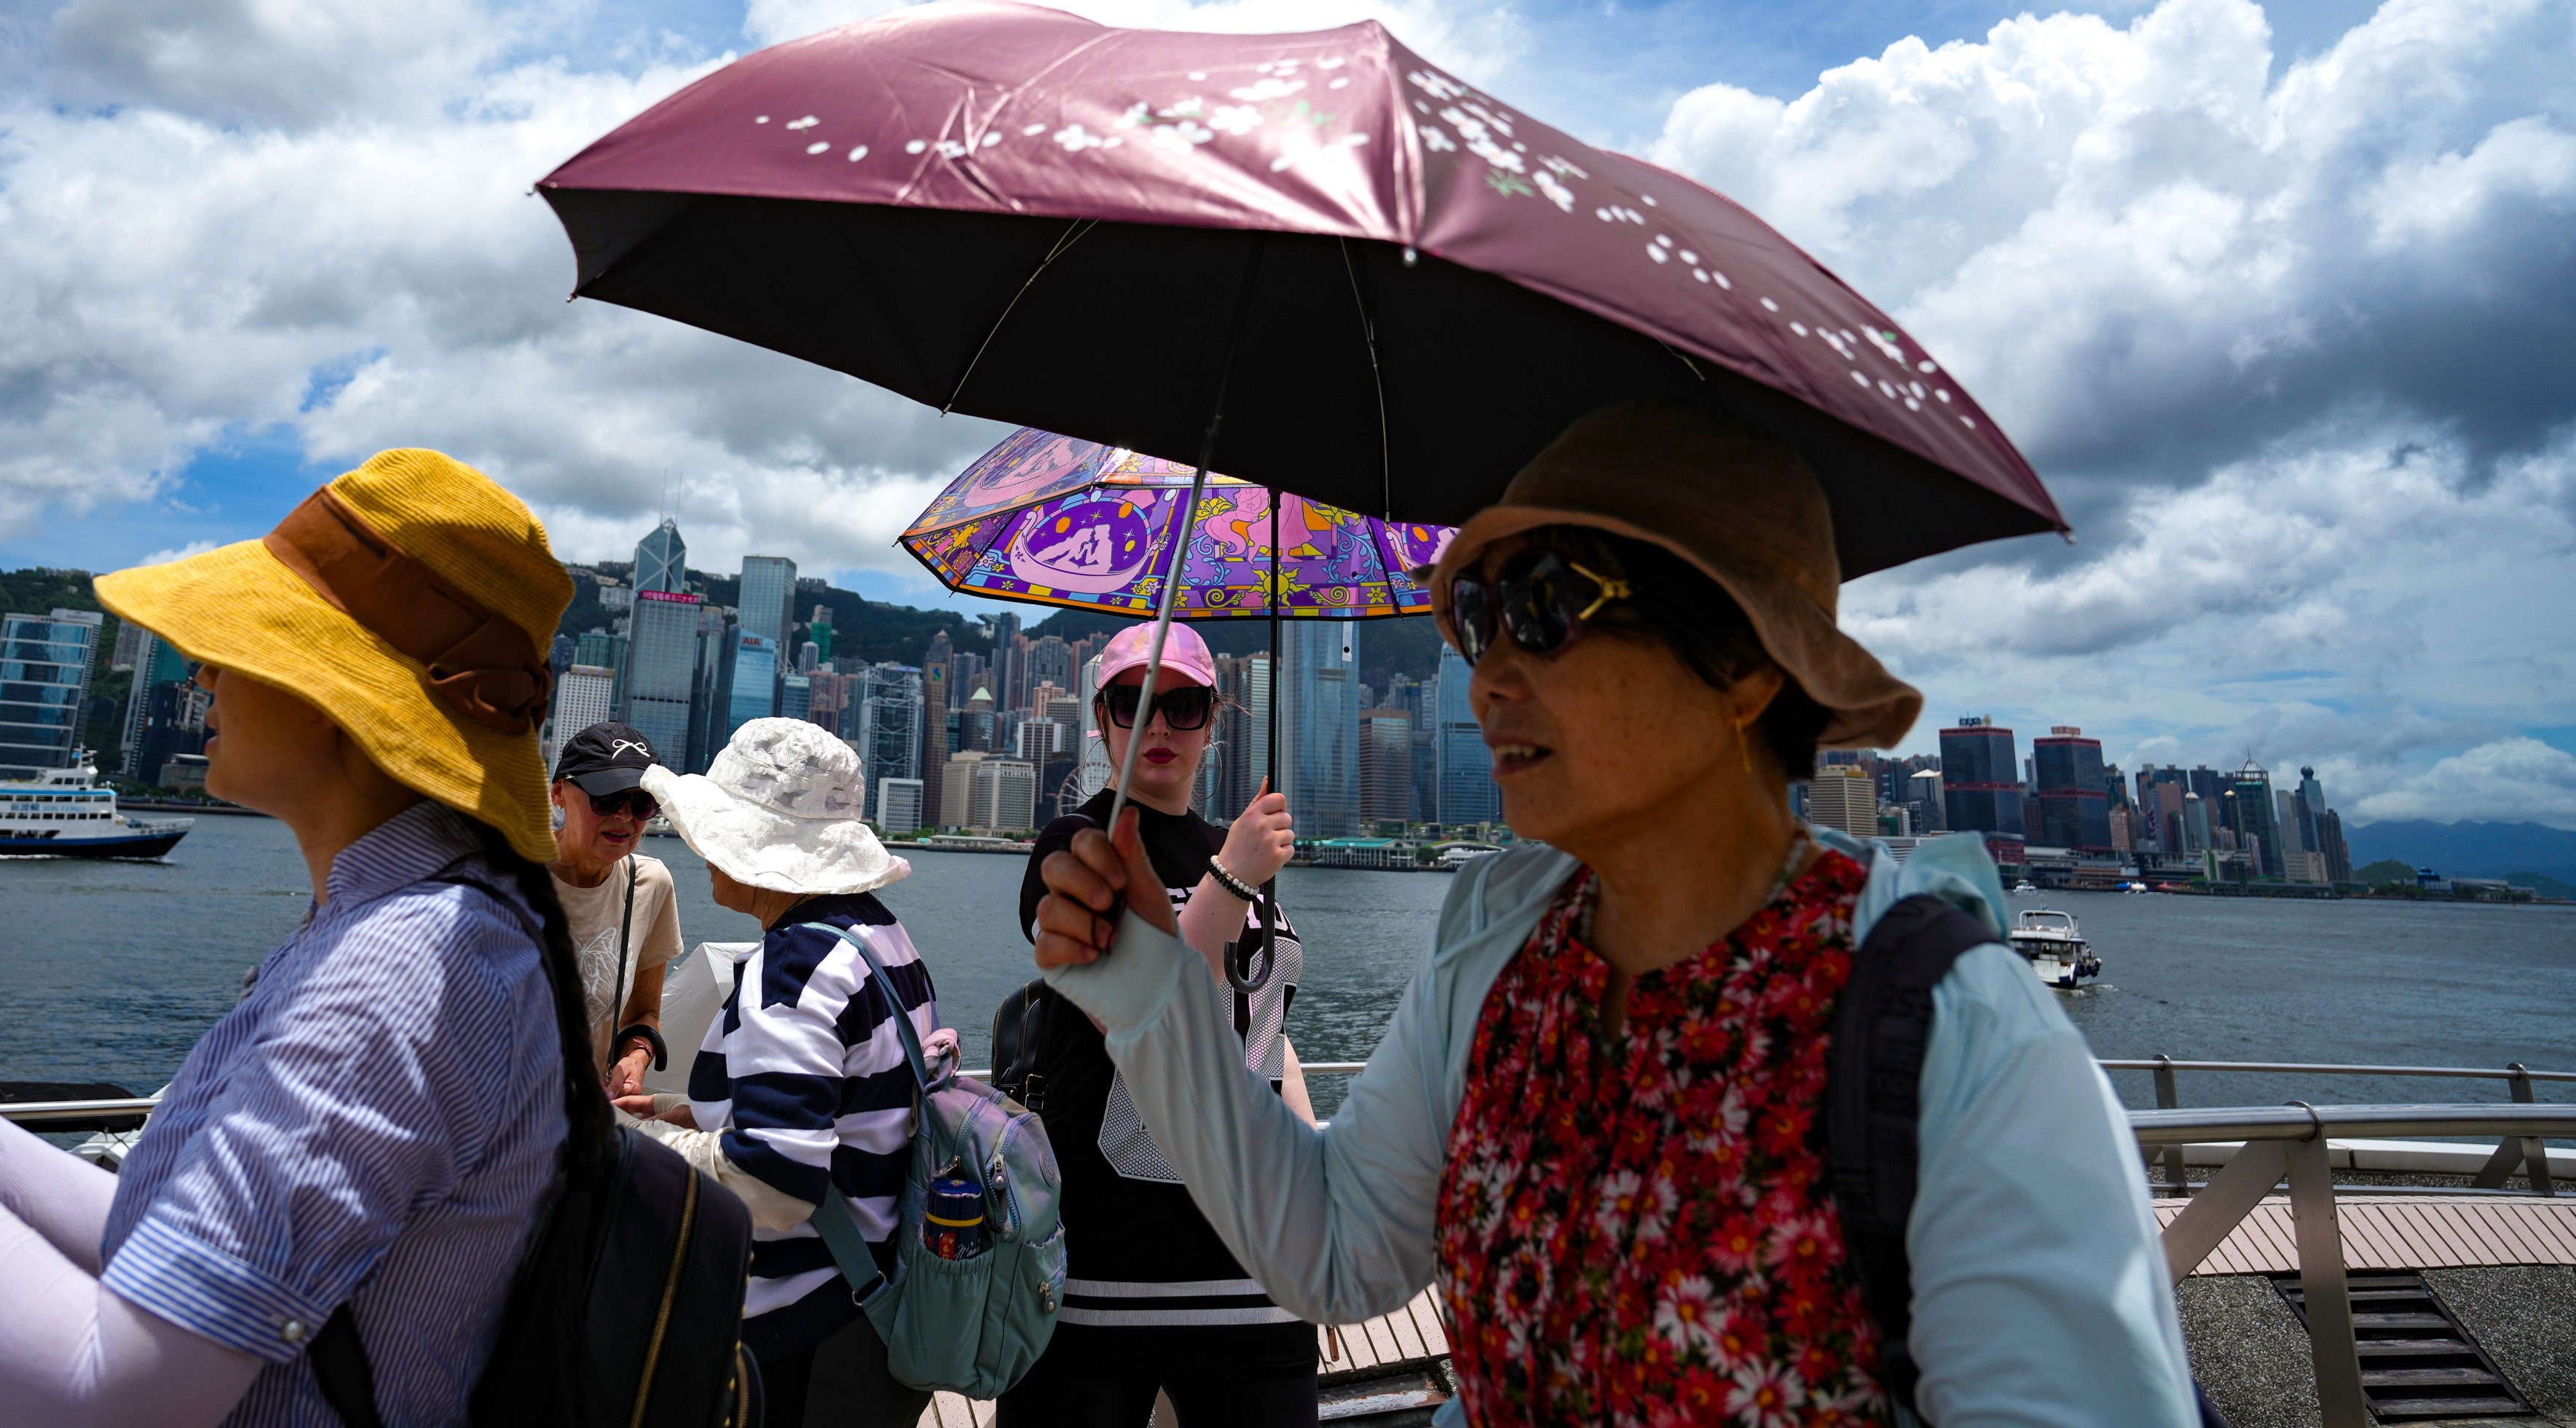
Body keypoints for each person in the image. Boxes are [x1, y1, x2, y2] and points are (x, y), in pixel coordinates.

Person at [1029, 402, 2202, 1428]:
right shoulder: (1497, 952)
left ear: (1742, 667)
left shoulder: (1947, 1024)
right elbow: (1333, 1251)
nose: (1486, 680)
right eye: (1480, 622)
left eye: (1545, 611)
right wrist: (1147, 991)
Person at [0, 449, 599, 1428]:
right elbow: (172, 1249)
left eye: (243, 647)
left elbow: (108, 1401)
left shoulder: (403, 963)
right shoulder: (420, 927)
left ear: (342, 706)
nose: (203, 671)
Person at [1000, 619, 1317, 1428]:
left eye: (1184, 705)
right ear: (1101, 718)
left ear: (1216, 719)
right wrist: (1232, 878)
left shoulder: (1241, 853)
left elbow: (1269, 1038)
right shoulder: (1073, 846)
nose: (1161, 726)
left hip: (1256, 1275)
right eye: (1133, 703)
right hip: (1100, 1280)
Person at [613, 717, 939, 1428]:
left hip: (807, 1322)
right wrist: (690, 1111)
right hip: (878, 1290)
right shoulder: (882, 937)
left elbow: (776, 1179)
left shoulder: (793, 966)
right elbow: (856, 1109)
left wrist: (635, 1151)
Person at [548, 720, 684, 1097]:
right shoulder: (506, 874)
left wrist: (637, 1056)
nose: (624, 816)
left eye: (642, 803)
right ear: (559, 793)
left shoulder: (650, 884)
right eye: (605, 799)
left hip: (585, 1119)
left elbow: (643, 1013)